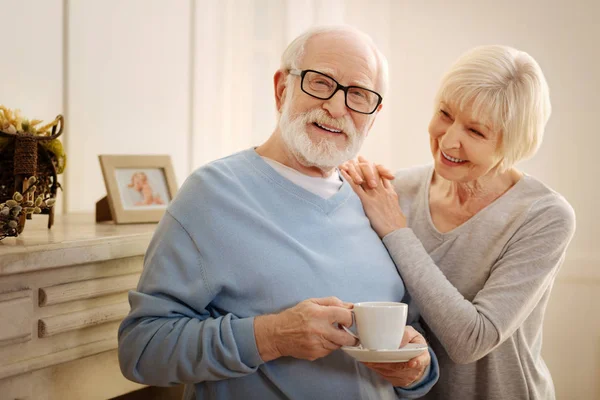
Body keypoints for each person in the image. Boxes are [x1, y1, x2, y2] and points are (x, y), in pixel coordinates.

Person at [118, 26, 439, 400]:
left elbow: (411, 335)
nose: (337, 108)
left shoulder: (378, 201)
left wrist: (417, 370)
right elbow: (141, 349)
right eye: (320, 83)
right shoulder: (211, 194)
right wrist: (271, 336)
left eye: (358, 95)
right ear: (282, 88)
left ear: (374, 114)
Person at [340, 45, 576, 400]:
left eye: (476, 132)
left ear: (512, 143)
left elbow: (471, 341)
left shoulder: (543, 216)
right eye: (445, 114)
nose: (449, 140)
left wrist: (396, 230)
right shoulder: (397, 192)